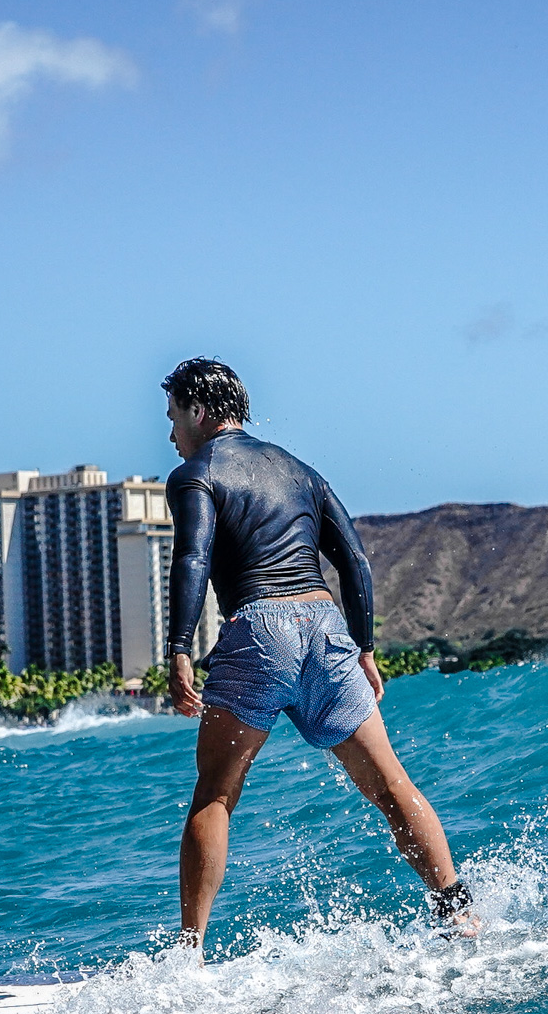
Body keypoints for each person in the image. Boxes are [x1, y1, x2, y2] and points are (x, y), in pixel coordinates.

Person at [161, 357, 475, 945]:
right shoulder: (299, 470)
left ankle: (189, 954)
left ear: (199, 413)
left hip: (258, 629)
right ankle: (459, 914)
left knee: (216, 792)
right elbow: (354, 560)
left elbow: (192, 559)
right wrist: (366, 647)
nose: (171, 434)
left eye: (174, 416)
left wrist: (179, 648)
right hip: (327, 629)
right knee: (390, 786)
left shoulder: (195, 475)